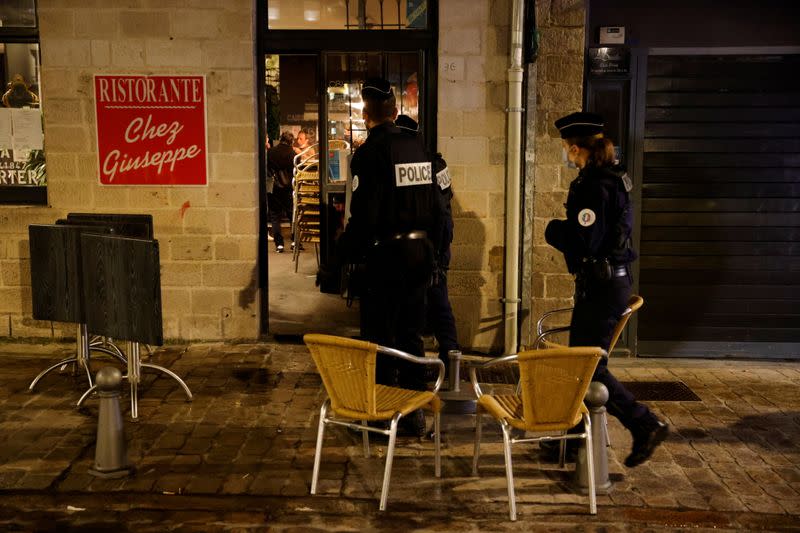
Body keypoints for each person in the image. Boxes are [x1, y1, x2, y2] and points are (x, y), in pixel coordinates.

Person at [544, 111, 669, 468]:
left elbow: (585, 239)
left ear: (575, 148)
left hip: (601, 287)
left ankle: (645, 423)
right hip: (607, 282)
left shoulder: (593, 184)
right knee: (580, 364)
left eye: (567, 148)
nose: (567, 155)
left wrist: (553, 230)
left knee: (588, 367)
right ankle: (570, 439)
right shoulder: (613, 178)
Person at [338, 78, 442, 437]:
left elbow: (365, 216)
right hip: (420, 253)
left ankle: (382, 417)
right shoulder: (417, 145)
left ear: (367, 114)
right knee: (411, 336)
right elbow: (437, 207)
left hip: (387, 257)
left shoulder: (370, 153)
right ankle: (414, 414)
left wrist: (342, 255)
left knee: (380, 338)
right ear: (394, 111)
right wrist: (438, 255)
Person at [396, 114, 459, 378]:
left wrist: (437, 254)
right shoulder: (436, 162)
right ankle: (450, 359)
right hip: (437, 246)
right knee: (437, 305)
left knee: (431, 305)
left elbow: (440, 212)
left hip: (430, 248)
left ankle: (438, 365)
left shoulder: (422, 165)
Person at [267, 131, 295, 253]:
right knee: (291, 215)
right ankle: (294, 241)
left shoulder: (271, 152)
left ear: (280, 139)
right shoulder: (292, 153)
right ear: (291, 141)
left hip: (274, 188)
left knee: (275, 216)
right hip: (288, 189)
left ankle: (279, 244)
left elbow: (267, 168)